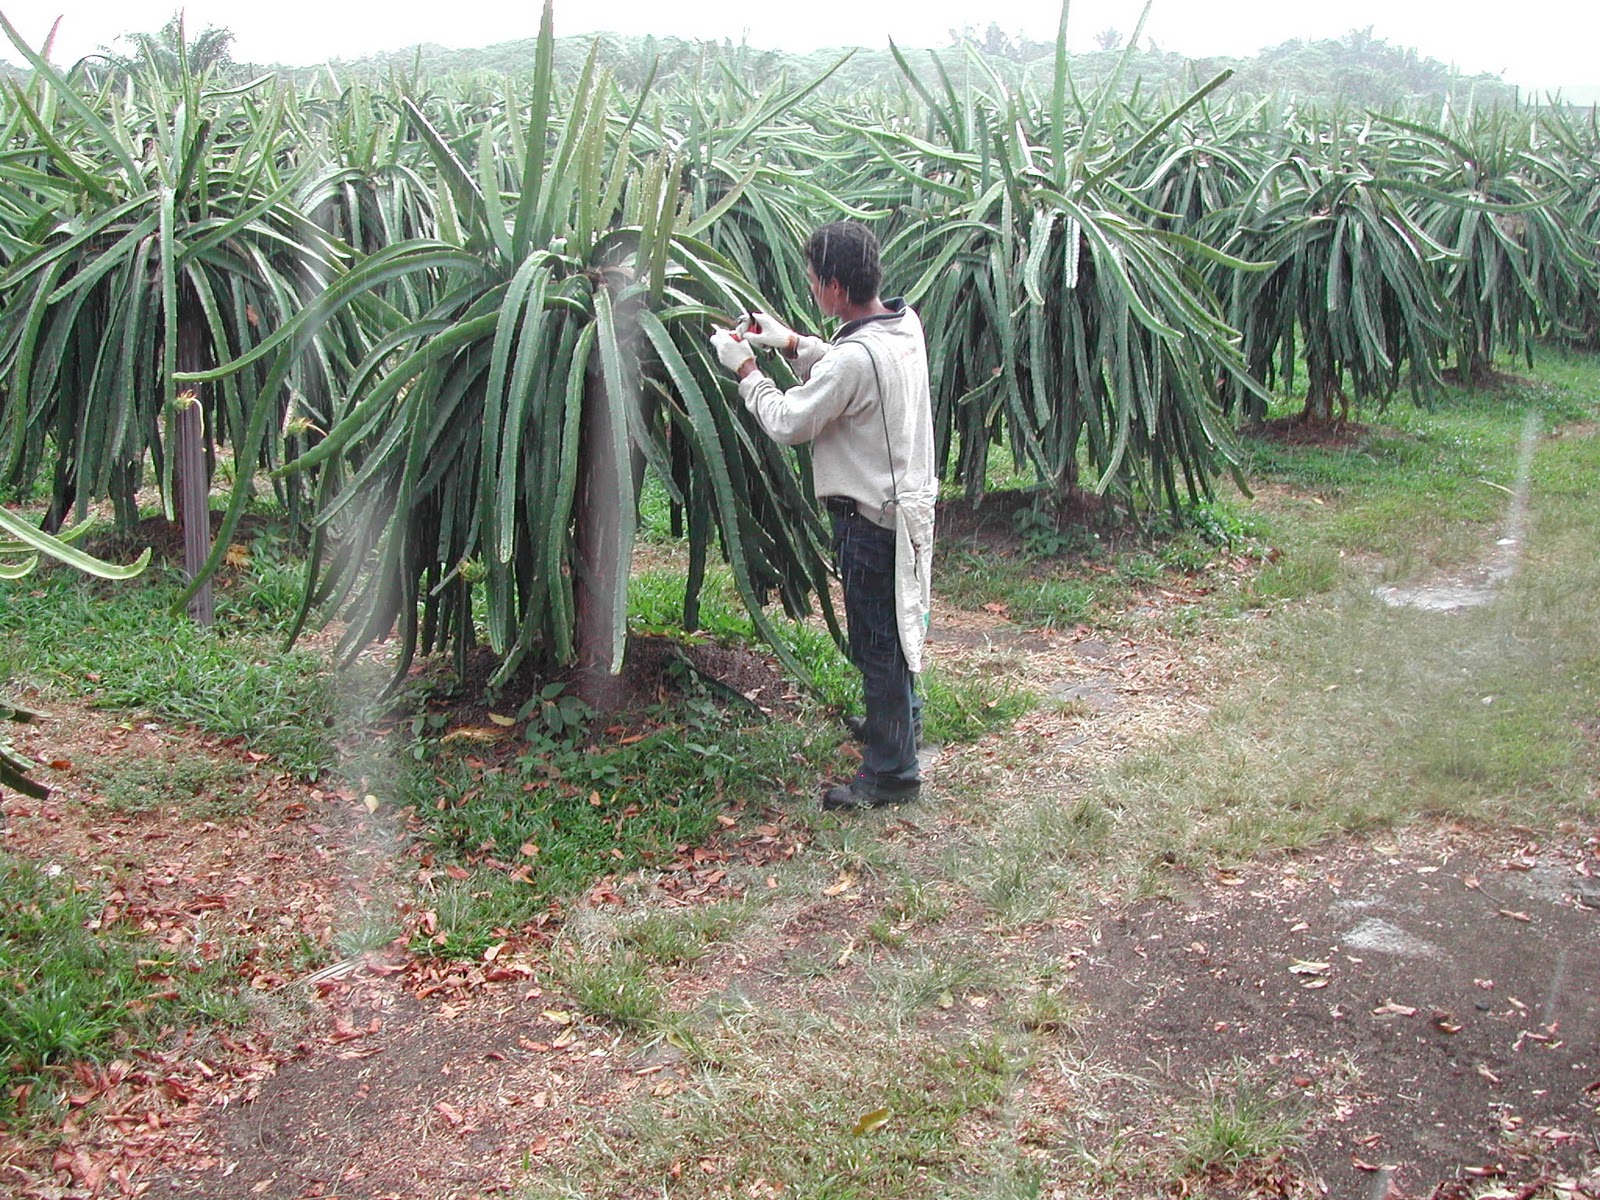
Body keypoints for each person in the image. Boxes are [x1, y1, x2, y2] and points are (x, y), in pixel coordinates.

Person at [708, 220, 936, 811]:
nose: (812, 291)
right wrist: (789, 342)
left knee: (877, 640)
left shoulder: (853, 360)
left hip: (869, 521)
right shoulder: (903, 324)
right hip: (905, 510)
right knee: (896, 629)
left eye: (813, 282)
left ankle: (892, 773)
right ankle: (898, 723)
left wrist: (744, 368)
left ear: (835, 287)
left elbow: (789, 422)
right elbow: (848, 366)